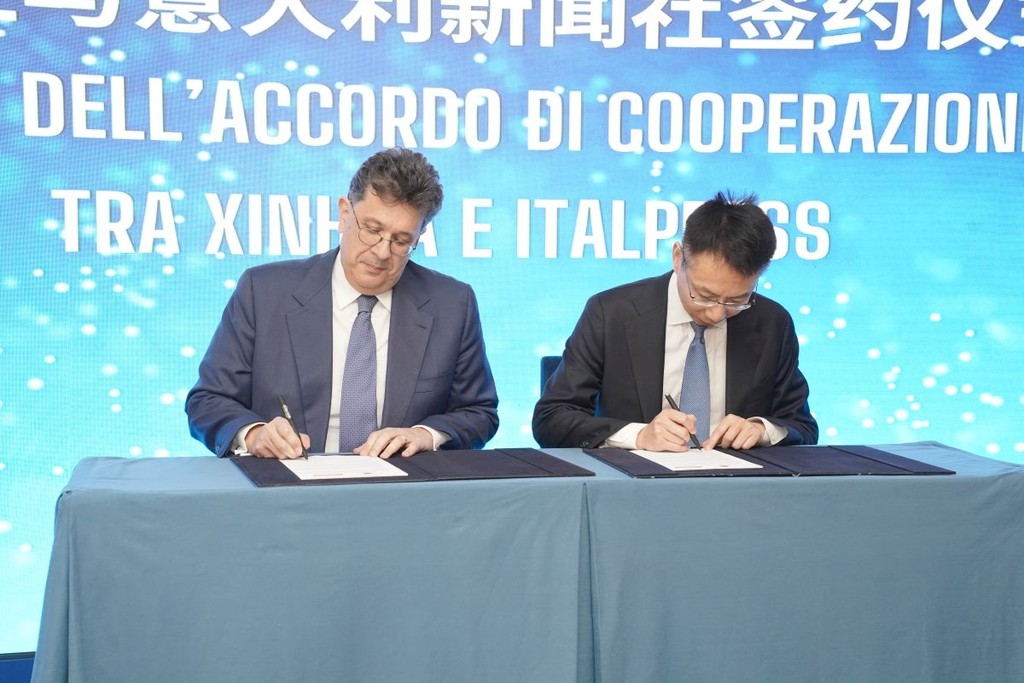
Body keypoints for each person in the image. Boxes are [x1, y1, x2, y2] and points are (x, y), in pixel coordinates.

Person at [186, 148, 499, 459]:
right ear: (344, 213)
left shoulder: (452, 304)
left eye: (401, 240)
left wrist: (425, 435)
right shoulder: (263, 291)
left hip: (403, 486)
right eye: (372, 230)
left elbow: (479, 412)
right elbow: (208, 401)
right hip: (286, 484)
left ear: (419, 237)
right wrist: (254, 435)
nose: (382, 252)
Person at [533, 190, 817, 452]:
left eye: (736, 300)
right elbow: (551, 419)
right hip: (633, 484)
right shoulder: (611, 313)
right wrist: (639, 436)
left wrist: (761, 429)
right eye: (704, 295)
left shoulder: (772, 323)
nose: (717, 314)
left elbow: (802, 426)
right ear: (678, 257)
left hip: (736, 484)